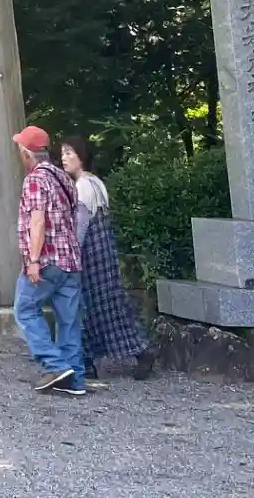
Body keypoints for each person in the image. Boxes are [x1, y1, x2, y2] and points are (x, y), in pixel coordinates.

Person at [61, 135, 155, 380]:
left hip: (90, 255)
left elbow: (80, 226)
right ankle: (95, 359)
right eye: (62, 153)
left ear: (81, 156)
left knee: (90, 306)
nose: (64, 158)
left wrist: (71, 254)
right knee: (107, 305)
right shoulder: (97, 183)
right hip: (105, 251)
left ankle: (131, 352)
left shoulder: (82, 186)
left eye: (69, 153)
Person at [11, 125, 87, 396]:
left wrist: (33, 260)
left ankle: (55, 366)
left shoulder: (35, 180)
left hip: (47, 261)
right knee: (69, 321)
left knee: (24, 309)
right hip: (71, 261)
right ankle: (74, 380)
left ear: (26, 153)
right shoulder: (64, 179)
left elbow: (38, 221)